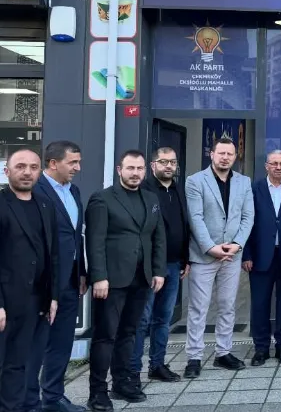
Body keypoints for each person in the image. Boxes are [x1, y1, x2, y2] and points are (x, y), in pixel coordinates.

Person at [0, 149, 58, 412]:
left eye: (33, 167)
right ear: (7, 171)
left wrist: (52, 296)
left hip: (33, 302)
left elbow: (53, 254)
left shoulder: (45, 204)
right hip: (0, 305)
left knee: (17, 366)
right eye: (20, 166)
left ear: (40, 172)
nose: (27, 172)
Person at [85, 150, 167, 411]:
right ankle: (97, 392)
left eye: (140, 168)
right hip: (111, 280)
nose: (135, 173)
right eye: (130, 168)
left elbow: (158, 237)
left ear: (146, 170)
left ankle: (122, 383)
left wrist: (158, 270)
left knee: (129, 333)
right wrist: (99, 277)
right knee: (105, 336)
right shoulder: (102, 199)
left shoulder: (151, 198)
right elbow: (95, 241)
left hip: (141, 278)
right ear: (119, 170)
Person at [183, 138, 254, 378]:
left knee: (227, 305)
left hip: (232, 255)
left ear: (235, 156)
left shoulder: (244, 182)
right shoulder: (195, 181)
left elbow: (248, 217)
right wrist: (211, 248)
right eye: (221, 153)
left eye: (230, 154)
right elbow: (195, 217)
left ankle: (223, 352)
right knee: (198, 307)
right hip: (204, 254)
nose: (225, 157)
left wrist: (237, 245)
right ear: (211, 154)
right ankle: (194, 357)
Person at [27, 140, 87, 412]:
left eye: (78, 162)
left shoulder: (73, 191)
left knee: (62, 342)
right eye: (72, 162)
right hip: (42, 283)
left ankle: (53, 396)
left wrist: (82, 272)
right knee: (35, 343)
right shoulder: (34, 191)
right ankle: (28, 400)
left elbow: (76, 236)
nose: (78, 167)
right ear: (53, 163)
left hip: (70, 280)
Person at [132, 147, 191, 382]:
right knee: (141, 320)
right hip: (149, 266)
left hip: (174, 264)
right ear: (153, 165)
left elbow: (183, 226)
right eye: (163, 162)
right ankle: (133, 371)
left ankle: (157, 365)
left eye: (172, 162)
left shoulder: (178, 189)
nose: (169, 166)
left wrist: (185, 258)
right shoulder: (144, 190)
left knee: (163, 319)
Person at [242, 150, 281, 366]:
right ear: (266, 166)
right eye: (274, 163)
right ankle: (261, 348)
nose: (278, 167)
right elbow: (246, 222)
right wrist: (246, 254)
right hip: (260, 257)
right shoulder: (254, 189)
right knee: (260, 305)